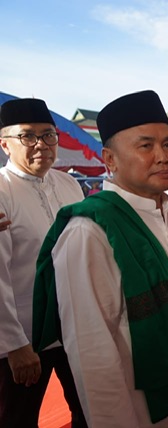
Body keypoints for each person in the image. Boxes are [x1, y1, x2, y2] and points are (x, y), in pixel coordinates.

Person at [31, 90, 168, 427]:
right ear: (110, 159)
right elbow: (90, 347)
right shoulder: (89, 232)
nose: (163, 156)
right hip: (139, 410)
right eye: (145, 146)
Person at [0, 98, 86, 427]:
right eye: (27, 136)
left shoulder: (70, 185)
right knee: (18, 419)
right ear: (5, 144)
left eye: (48, 135)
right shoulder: (2, 191)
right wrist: (14, 345)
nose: (41, 145)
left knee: (91, 412)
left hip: (73, 330)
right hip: (25, 335)